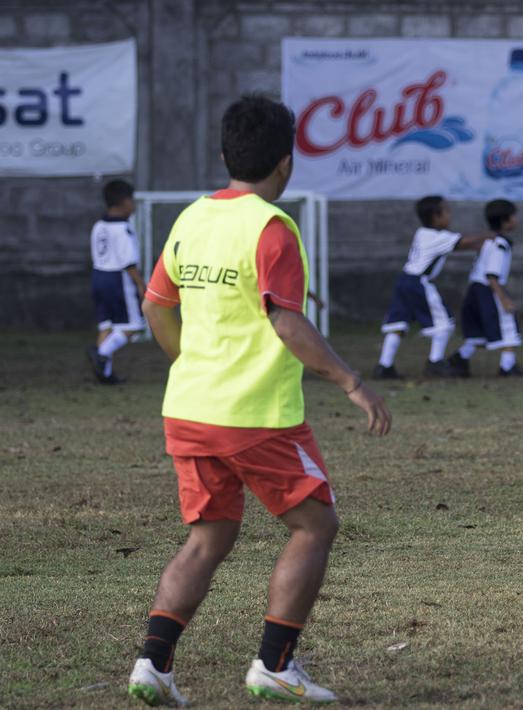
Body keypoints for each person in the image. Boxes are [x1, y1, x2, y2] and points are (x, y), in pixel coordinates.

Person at [129, 95, 392, 707]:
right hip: (253, 416)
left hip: (188, 409)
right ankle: (274, 666)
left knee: (209, 538)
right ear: (285, 162)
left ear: (225, 156)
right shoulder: (272, 228)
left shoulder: (192, 217)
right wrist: (352, 382)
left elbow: (155, 306)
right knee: (316, 525)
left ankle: (152, 664)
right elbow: (287, 323)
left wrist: (190, 364)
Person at [373, 196, 491, 379]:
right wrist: (490, 235)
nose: (450, 215)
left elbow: (454, 246)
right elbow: (462, 242)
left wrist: (475, 246)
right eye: (447, 211)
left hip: (404, 281)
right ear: (436, 216)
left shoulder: (422, 233)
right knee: (444, 323)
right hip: (418, 283)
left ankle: (384, 366)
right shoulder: (437, 236)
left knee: (398, 324)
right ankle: (435, 363)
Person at [449, 199, 523, 376]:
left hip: (474, 289)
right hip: (488, 289)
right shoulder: (500, 244)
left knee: (479, 331)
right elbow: (491, 274)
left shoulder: (487, 241)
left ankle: (460, 358)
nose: (516, 219)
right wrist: (504, 299)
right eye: (514, 216)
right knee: (508, 324)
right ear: (505, 220)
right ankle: (507, 366)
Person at [87, 179, 145, 384]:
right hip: (117, 279)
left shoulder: (99, 225)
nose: (133, 205)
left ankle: (104, 374)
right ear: (124, 202)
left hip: (98, 276)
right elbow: (129, 262)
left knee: (107, 327)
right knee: (135, 326)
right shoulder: (122, 228)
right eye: (132, 200)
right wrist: (140, 284)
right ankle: (101, 354)